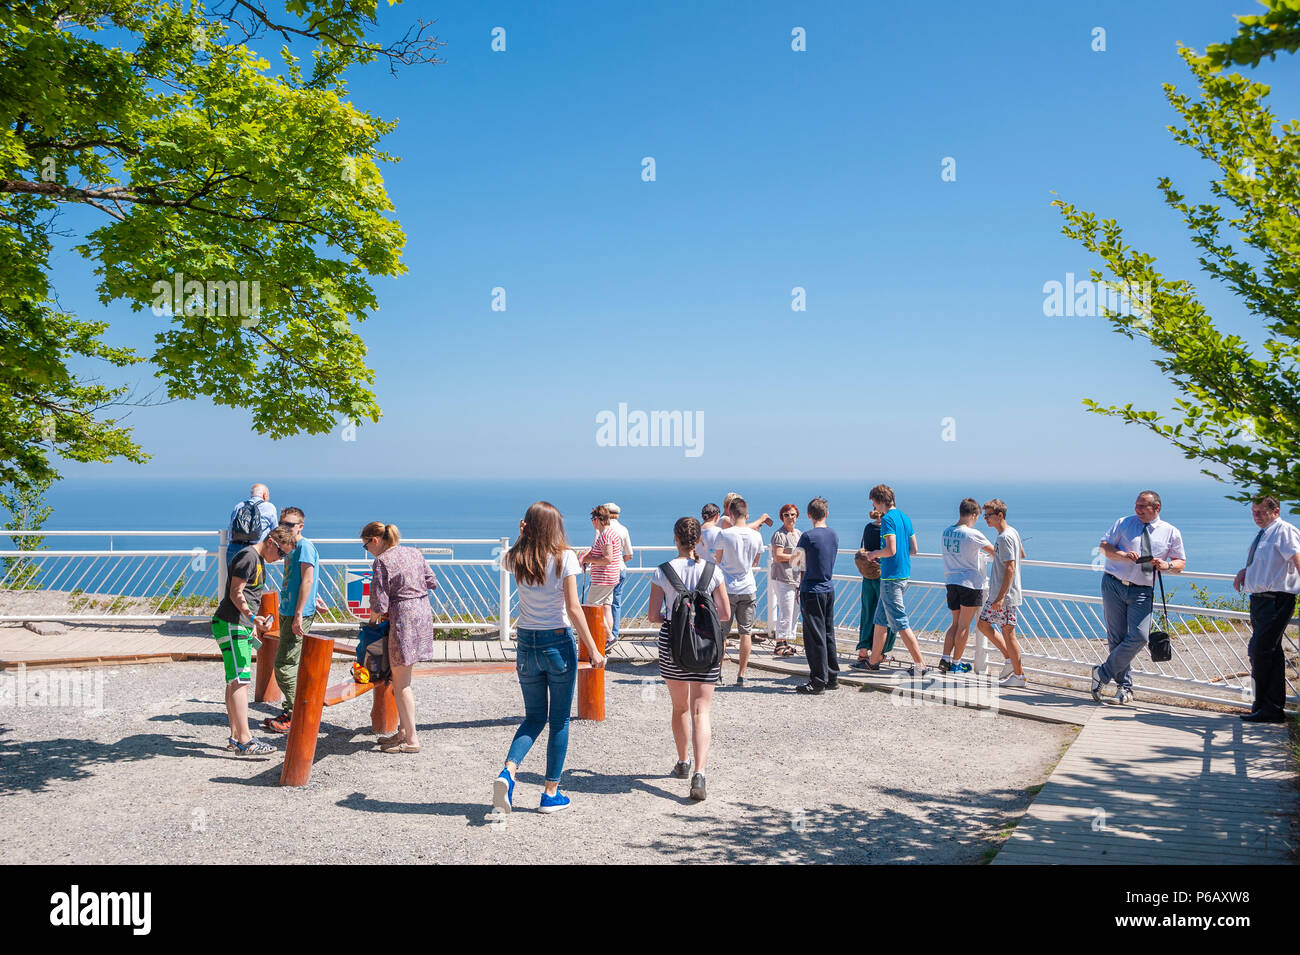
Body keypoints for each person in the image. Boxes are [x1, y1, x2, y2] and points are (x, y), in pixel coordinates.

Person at [494, 502, 605, 814]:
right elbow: (573, 608)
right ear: (555, 527)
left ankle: (508, 772)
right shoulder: (565, 557)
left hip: (526, 643)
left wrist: (521, 538)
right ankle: (550, 793)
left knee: (532, 717)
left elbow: (508, 559)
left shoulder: (516, 557)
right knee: (558, 721)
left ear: (527, 526)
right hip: (557, 643)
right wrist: (594, 648)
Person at [648, 516, 731, 801]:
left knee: (680, 707)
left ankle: (682, 762)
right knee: (701, 711)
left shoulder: (662, 572)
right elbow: (725, 614)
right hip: (707, 647)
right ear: (699, 541)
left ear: (675, 539)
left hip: (673, 645)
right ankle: (700, 773)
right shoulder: (713, 571)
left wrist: (676, 615)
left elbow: (653, 616)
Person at [1091, 490, 1186, 705]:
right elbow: (1104, 547)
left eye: (1143, 506)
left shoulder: (1170, 532)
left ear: (1157, 508)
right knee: (1116, 638)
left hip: (1142, 590)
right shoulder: (1124, 523)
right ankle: (1124, 689)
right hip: (1114, 584)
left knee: (1139, 637)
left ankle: (1102, 673)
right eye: (1137, 505)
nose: (1138, 510)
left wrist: (1167, 565)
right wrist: (1122, 555)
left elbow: (1180, 562)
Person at [212, 525, 294, 755]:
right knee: (241, 679)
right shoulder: (248, 557)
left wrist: (254, 623)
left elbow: (246, 594)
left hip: (238, 624)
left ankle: (236, 736)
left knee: (235, 679)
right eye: (280, 552)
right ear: (270, 541)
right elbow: (235, 593)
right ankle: (245, 739)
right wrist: (250, 617)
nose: (280, 558)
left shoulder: (257, 559)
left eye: (284, 555)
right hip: (233, 622)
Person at [362, 522, 438, 753]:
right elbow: (431, 581)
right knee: (401, 678)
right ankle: (403, 732)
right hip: (422, 614)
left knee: (401, 683)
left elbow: (379, 602)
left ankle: (412, 740)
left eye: (366, 546)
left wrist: (373, 621)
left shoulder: (382, 561)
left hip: (403, 620)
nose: (367, 550)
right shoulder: (414, 552)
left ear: (375, 540)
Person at [1232, 496, 1300, 723]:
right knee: (1270, 653)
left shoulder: (1284, 530)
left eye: (1261, 512)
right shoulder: (1264, 534)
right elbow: (1266, 563)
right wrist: (1245, 571)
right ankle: (1267, 707)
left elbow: (1297, 559)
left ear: (1276, 510)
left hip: (1276, 600)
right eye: (1254, 512)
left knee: (1259, 651)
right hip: (1260, 600)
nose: (1256, 516)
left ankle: (1268, 707)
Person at [264, 507, 328, 733]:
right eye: (282, 524)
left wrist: (300, 612)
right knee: (290, 663)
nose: (285, 528)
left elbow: (308, 580)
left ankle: (297, 713)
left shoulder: (304, 547)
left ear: (300, 526)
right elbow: (302, 581)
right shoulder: (290, 547)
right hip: (289, 609)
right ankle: (292, 709)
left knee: (284, 665)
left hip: (296, 613)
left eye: (290, 525)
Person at [862, 485, 928, 676]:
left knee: (900, 621)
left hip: (891, 576)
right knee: (880, 619)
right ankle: (873, 661)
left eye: (874, 502)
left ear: (879, 500)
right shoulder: (904, 517)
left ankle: (920, 665)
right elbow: (913, 548)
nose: (874, 506)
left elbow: (890, 549)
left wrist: (874, 554)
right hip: (903, 574)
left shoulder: (888, 519)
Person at [939, 498, 995, 674]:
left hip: (951, 582)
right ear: (974, 514)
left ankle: (945, 659)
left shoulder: (946, 532)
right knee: (964, 626)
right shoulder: (973, 534)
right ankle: (956, 664)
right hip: (970, 583)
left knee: (955, 623)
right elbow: (995, 552)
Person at [975, 499, 1028, 687]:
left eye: (988, 515)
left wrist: (1001, 597)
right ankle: (1011, 664)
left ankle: (1018, 675)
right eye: (984, 515)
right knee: (986, 625)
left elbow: (1011, 568)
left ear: (1000, 515)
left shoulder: (1004, 537)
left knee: (1007, 632)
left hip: (1003, 595)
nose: (986, 519)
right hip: (1003, 593)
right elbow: (1021, 554)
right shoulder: (1012, 532)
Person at [795, 497, 840, 694]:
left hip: (811, 589)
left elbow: (795, 563)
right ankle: (832, 676)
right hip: (828, 588)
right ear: (826, 514)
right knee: (828, 633)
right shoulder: (833, 535)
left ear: (809, 515)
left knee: (814, 636)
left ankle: (818, 680)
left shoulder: (807, 536)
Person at [717, 496, 763, 686]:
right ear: (747, 514)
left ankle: (717, 673)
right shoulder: (756, 536)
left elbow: (718, 559)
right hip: (748, 587)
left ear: (730, 513)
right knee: (746, 633)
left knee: (722, 633)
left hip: (727, 588)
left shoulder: (725, 535)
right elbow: (756, 562)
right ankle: (741, 675)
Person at [852, 508, 898, 670]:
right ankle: (880, 653)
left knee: (867, 611)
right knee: (886, 615)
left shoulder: (868, 528)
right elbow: (892, 551)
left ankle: (863, 650)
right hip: (883, 576)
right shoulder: (886, 530)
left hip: (867, 575)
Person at [578, 504, 623, 647]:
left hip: (603, 579)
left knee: (592, 607)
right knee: (606, 607)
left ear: (597, 519)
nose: (592, 522)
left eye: (592, 519)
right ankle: (606, 638)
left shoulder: (605, 536)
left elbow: (607, 559)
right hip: (610, 577)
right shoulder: (611, 533)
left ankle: (609, 637)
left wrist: (588, 559)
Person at [768, 504, 802, 658]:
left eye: (792, 514)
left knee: (794, 611)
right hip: (782, 577)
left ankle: (786, 640)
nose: (790, 518)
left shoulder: (799, 534)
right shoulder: (779, 535)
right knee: (786, 610)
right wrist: (796, 556)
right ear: (782, 517)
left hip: (795, 578)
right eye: (787, 515)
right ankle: (779, 643)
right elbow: (778, 556)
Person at [605, 502, 634, 645]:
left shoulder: (603, 529)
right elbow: (629, 555)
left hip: (605, 572)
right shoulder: (623, 529)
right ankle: (614, 634)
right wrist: (618, 559)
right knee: (615, 603)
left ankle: (605, 634)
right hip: (620, 569)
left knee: (603, 604)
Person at [227, 483, 278, 561]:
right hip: (254, 550)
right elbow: (275, 531)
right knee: (253, 573)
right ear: (265, 495)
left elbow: (230, 531)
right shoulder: (269, 507)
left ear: (252, 495)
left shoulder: (239, 506)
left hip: (234, 548)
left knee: (232, 573)